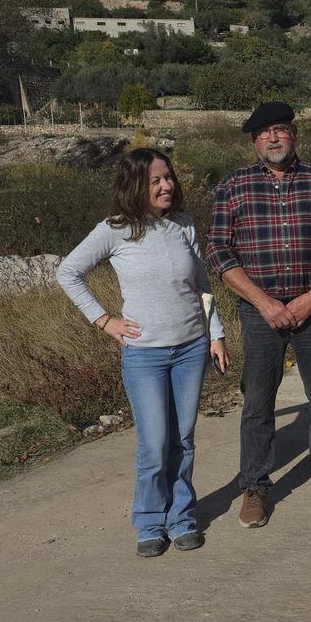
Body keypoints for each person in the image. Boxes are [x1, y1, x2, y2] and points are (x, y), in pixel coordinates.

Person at [57, 147, 229, 558]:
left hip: (191, 349)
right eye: (155, 180)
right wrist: (105, 321)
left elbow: (201, 284)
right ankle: (150, 522)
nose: (166, 185)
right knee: (154, 444)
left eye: (168, 177)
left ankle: (182, 518)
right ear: (135, 185)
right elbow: (68, 272)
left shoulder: (183, 225)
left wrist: (216, 334)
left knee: (183, 441)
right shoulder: (114, 230)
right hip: (145, 355)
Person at [205, 101, 311, 527]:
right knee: (257, 403)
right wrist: (264, 302)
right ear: (254, 141)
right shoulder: (233, 186)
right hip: (259, 315)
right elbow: (218, 250)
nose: (272, 138)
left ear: (295, 134)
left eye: (280, 130)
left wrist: (310, 299)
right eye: (263, 132)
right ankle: (254, 487)